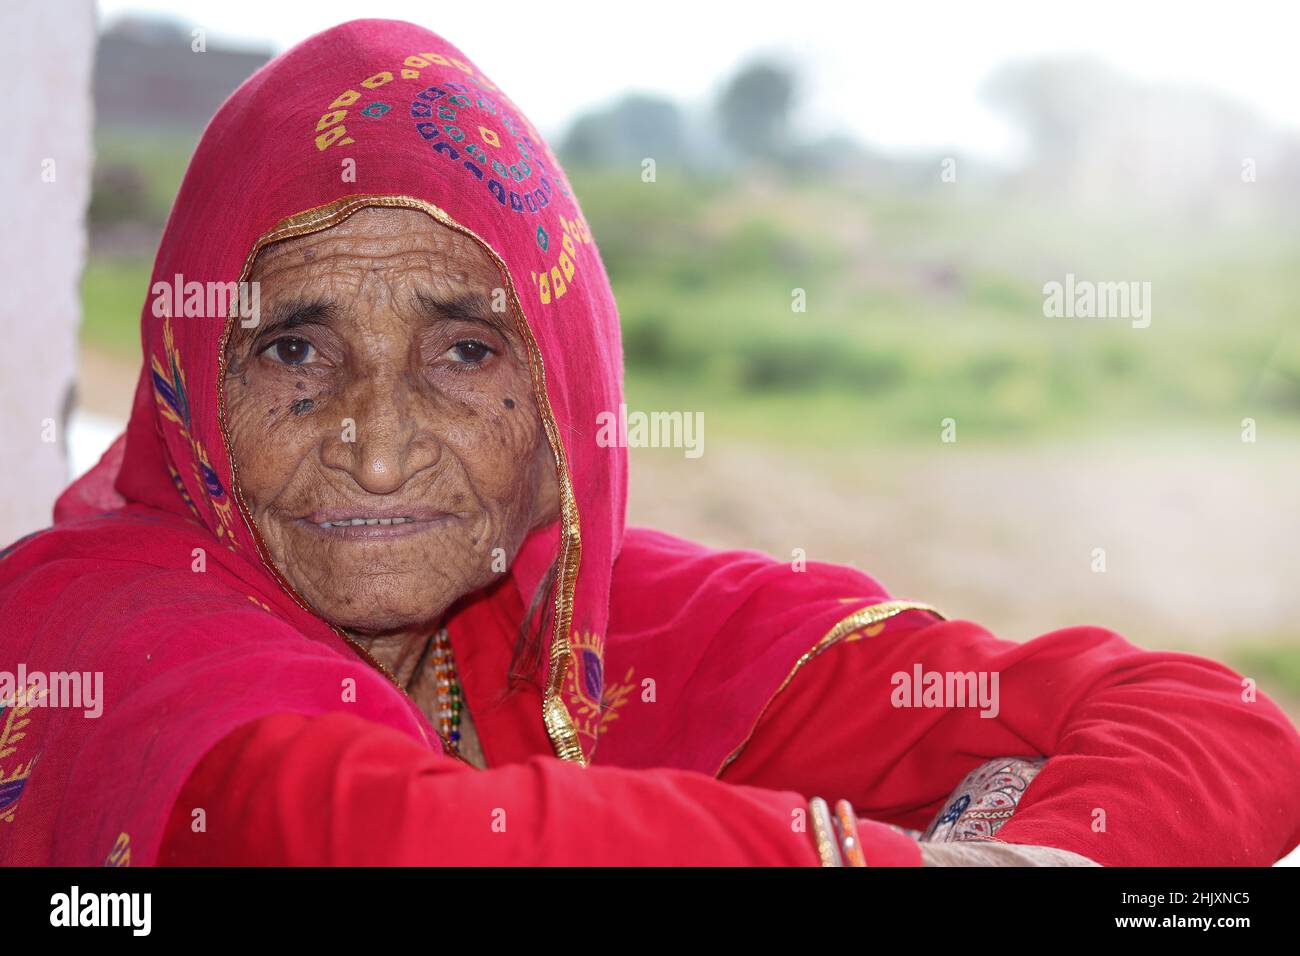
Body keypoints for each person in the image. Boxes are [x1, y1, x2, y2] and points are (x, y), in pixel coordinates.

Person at [1, 19, 1297, 867]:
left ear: (563, 398)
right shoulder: (103, 630)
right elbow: (378, 843)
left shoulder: (603, 620)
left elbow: (1219, 718)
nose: (381, 453)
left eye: (465, 353)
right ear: (187, 391)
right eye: (294, 351)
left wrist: (1047, 851)